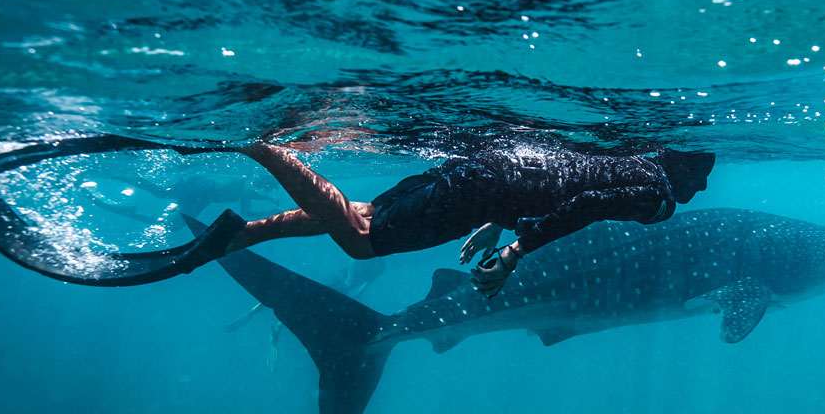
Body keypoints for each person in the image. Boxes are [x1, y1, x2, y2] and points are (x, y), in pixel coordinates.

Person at [229, 143, 715, 296]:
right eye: (703, 171)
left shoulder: (621, 153)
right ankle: (263, 150)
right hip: (487, 187)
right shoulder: (657, 195)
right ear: (679, 165)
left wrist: (499, 217)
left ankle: (239, 235)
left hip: (486, 163)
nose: (705, 186)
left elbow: (554, 173)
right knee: (360, 240)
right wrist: (513, 253)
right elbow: (580, 206)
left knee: (363, 213)